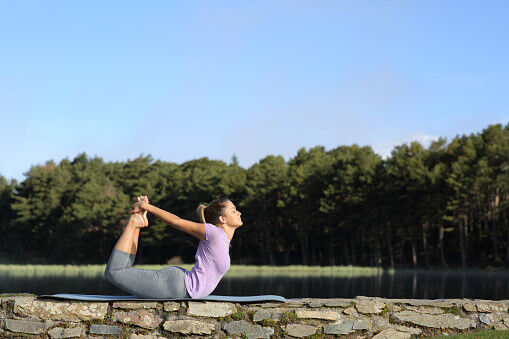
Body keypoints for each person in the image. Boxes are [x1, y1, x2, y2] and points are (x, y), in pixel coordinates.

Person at [104, 196, 243, 299]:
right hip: (175, 286)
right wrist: (146, 207)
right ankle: (134, 222)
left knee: (121, 270)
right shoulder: (213, 233)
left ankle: (136, 223)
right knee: (114, 272)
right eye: (234, 211)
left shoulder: (223, 240)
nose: (239, 213)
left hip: (178, 285)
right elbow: (176, 221)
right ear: (222, 219)